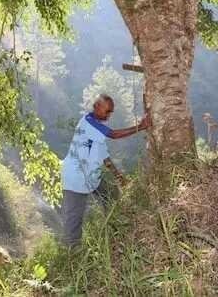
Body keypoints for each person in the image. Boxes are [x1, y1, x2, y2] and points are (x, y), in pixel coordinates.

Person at [61, 94, 151, 247]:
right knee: (74, 220)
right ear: (96, 107)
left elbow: (105, 157)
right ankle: (72, 255)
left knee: (112, 195)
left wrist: (119, 177)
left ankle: (113, 232)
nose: (109, 115)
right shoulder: (89, 123)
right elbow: (114, 135)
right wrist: (141, 126)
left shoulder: (97, 129)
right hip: (75, 178)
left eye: (111, 112)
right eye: (107, 111)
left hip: (91, 177)